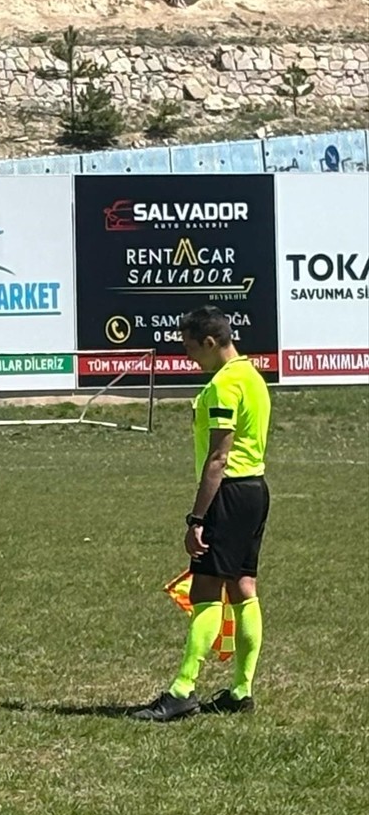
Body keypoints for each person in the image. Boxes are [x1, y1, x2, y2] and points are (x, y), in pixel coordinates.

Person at [133, 305, 272, 722]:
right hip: (255, 489)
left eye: (191, 347)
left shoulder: (223, 387)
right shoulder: (253, 376)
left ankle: (182, 690)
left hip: (227, 493)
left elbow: (218, 457)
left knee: (206, 590)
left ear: (210, 342)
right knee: (244, 586)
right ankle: (241, 689)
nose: (189, 356)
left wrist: (196, 519)